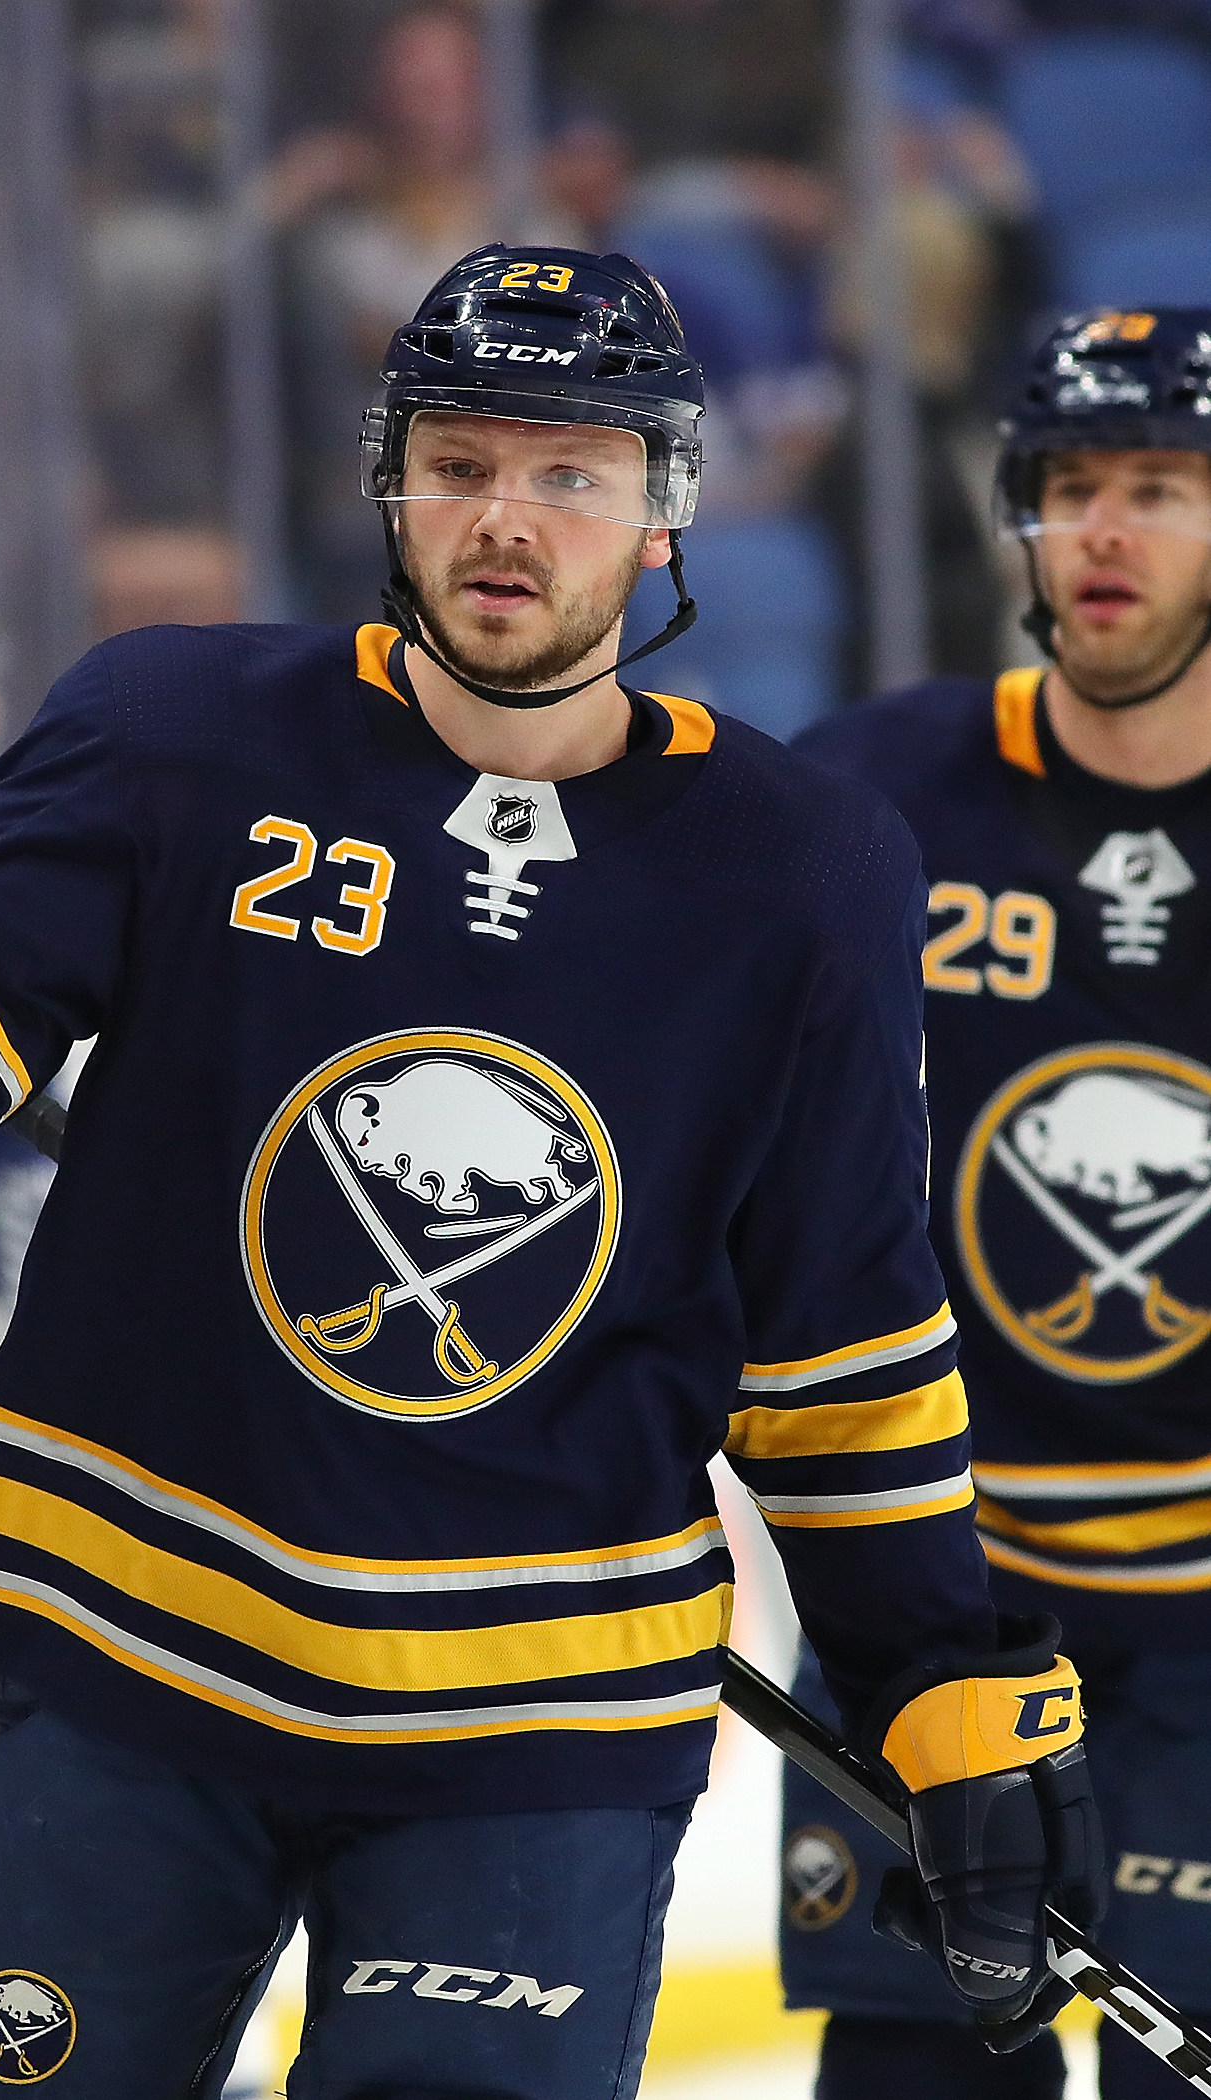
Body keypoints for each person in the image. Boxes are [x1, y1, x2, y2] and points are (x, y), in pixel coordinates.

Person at [0, 248, 1105, 2098]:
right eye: (462, 460)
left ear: (662, 517)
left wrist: (949, 1711)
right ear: (387, 479)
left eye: (568, 475)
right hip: (134, 1667)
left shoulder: (800, 873)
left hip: (536, 1726)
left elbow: (841, 1357)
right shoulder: (178, 735)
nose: (505, 519)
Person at [786, 306, 1211, 2100]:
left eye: (1158, 489)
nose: (1100, 531)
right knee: (912, 2076)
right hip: (928, 1594)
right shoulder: (874, 792)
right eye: (1066, 488)